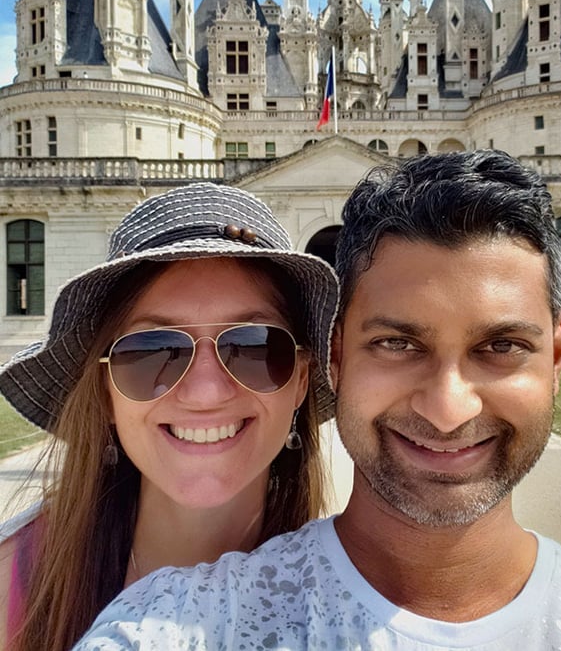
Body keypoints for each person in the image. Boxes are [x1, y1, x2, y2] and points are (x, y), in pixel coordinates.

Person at [73, 151, 561, 650]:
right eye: (396, 343)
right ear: (333, 355)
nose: (449, 408)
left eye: (501, 346)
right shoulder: (167, 627)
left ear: (557, 357)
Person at [0, 182, 338, 651]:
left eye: (255, 347)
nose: (204, 393)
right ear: (105, 390)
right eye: (153, 350)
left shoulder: (359, 599)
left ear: (301, 379)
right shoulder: (12, 584)